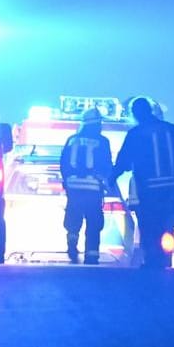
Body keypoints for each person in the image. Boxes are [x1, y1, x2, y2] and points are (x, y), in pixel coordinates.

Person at [111, 96, 174, 268]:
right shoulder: (171, 130)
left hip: (148, 191)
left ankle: (151, 259)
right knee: (166, 225)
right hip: (171, 191)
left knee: (148, 226)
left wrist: (111, 177)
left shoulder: (136, 134)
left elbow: (124, 160)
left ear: (136, 114)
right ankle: (164, 258)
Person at [59, 107, 116, 264]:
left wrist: (67, 180)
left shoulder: (72, 139)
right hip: (92, 188)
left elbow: (63, 162)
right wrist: (108, 181)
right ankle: (92, 254)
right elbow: (106, 165)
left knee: (73, 216)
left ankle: (72, 243)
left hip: (73, 187)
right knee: (93, 220)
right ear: (97, 124)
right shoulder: (103, 142)